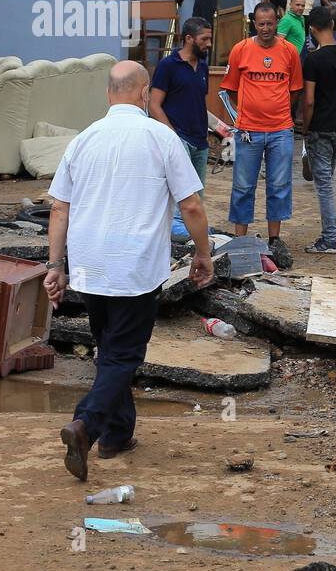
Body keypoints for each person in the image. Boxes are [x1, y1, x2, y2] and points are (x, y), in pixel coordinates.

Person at [46, 61, 213, 480]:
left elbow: (59, 209)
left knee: (110, 352)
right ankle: (85, 424)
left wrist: (55, 265)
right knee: (123, 356)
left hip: (90, 265)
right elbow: (191, 204)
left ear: (108, 94)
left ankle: (118, 436)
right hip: (135, 265)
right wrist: (203, 253)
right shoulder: (162, 138)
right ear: (144, 93)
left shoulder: (83, 140)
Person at [220, 2, 302, 264]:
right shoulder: (240, 50)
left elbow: (295, 89)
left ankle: (274, 241)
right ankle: (240, 240)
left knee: (279, 185)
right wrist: (247, 111)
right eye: (261, 24)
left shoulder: (289, 52)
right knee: (243, 186)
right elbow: (231, 88)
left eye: (270, 23)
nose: (265, 28)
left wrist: (279, 113)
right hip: (248, 131)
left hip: (280, 130)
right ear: (253, 23)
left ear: (277, 21)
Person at [149, 15, 216, 238]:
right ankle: (178, 235)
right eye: (204, 39)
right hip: (180, 139)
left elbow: (197, 102)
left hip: (200, 141)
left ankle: (190, 235)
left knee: (197, 194)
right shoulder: (168, 66)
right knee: (181, 194)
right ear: (189, 38)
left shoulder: (203, 67)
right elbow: (154, 105)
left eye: (210, 39)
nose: (209, 43)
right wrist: (173, 136)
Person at [299, 6, 336, 254]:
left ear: (311, 29)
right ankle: (328, 236)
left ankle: (330, 239)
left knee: (324, 187)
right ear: (332, 25)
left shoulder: (313, 60)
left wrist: (305, 127)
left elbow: (308, 100)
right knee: (326, 180)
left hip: (320, 127)